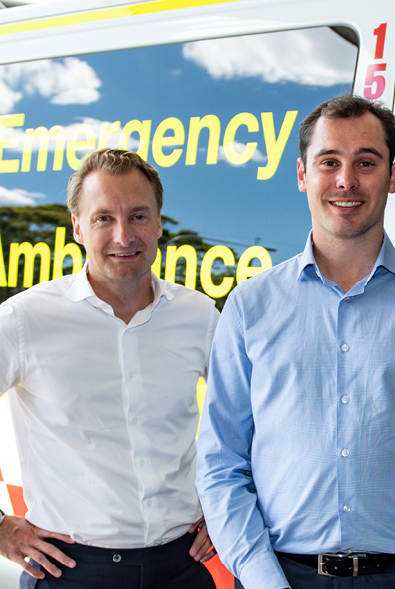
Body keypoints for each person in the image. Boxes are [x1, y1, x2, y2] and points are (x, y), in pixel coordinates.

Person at [195, 94, 395, 589]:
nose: (346, 181)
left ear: (393, 175)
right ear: (302, 175)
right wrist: (261, 579)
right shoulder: (249, 307)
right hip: (279, 575)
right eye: (329, 162)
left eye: (366, 162)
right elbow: (221, 462)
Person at [0, 148, 219, 588]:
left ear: (159, 224)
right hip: (69, 571)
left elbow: (251, 423)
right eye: (103, 218)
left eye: (139, 216)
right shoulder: (24, 319)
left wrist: (227, 509)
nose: (124, 235)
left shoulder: (198, 315)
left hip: (181, 567)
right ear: (78, 228)